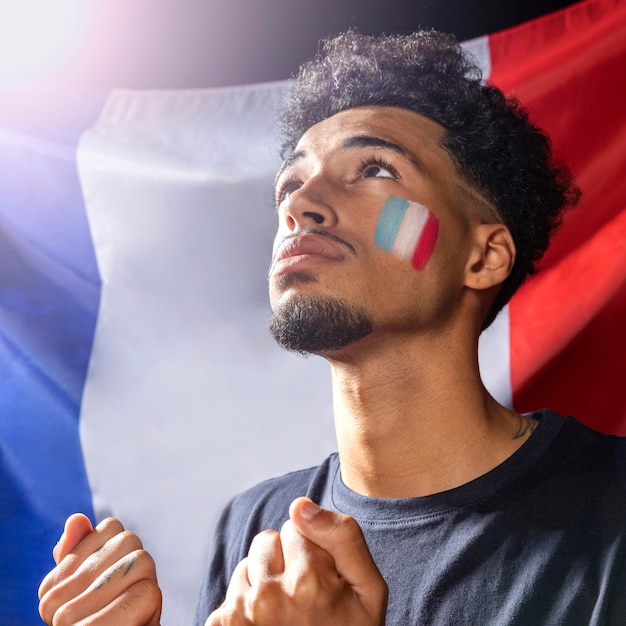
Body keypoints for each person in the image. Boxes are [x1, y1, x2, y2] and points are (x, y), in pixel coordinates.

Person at [38, 29, 626, 625]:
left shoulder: (612, 513)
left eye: (375, 168)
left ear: (483, 257)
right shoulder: (256, 527)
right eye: (290, 184)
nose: (300, 204)